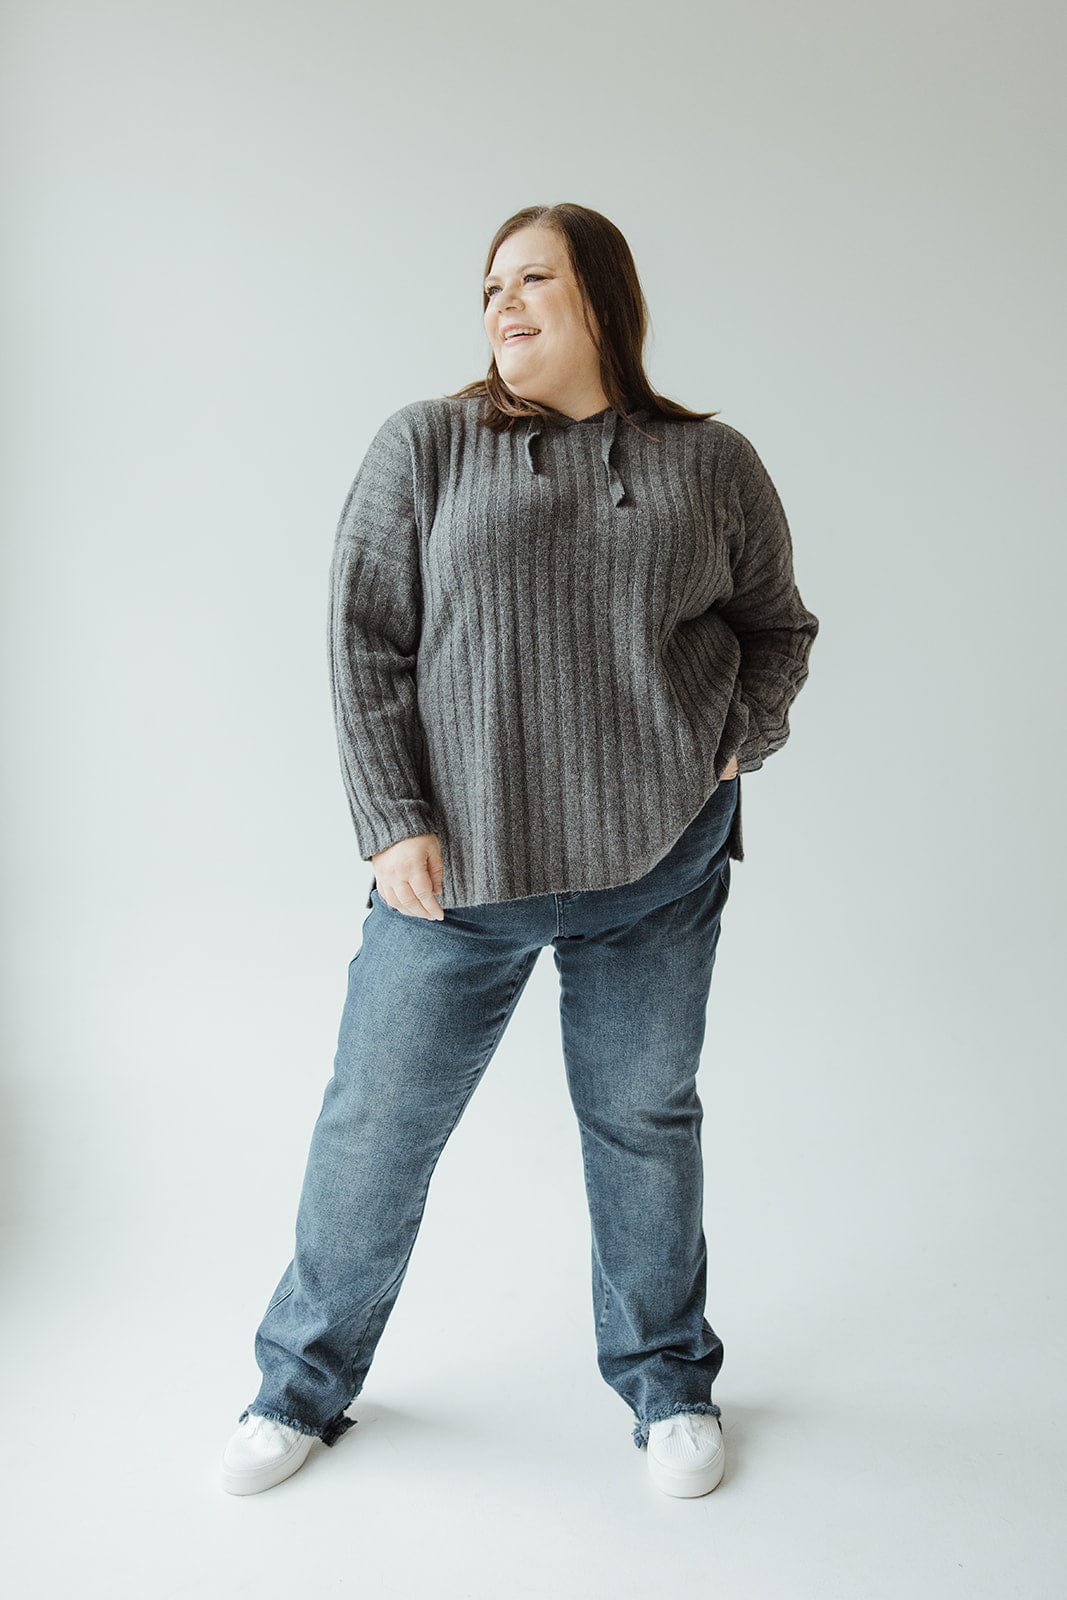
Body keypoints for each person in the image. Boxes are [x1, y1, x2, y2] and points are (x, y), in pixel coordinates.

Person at [219, 203, 820, 1499]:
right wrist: (392, 819)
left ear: (603, 298)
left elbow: (778, 626)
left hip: (657, 867)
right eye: (490, 284)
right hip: (459, 882)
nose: (503, 302)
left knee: (644, 1122)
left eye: (534, 278)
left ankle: (667, 1382)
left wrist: (737, 744)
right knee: (375, 1127)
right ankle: (300, 1386)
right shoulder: (425, 446)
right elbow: (364, 636)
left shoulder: (710, 463)